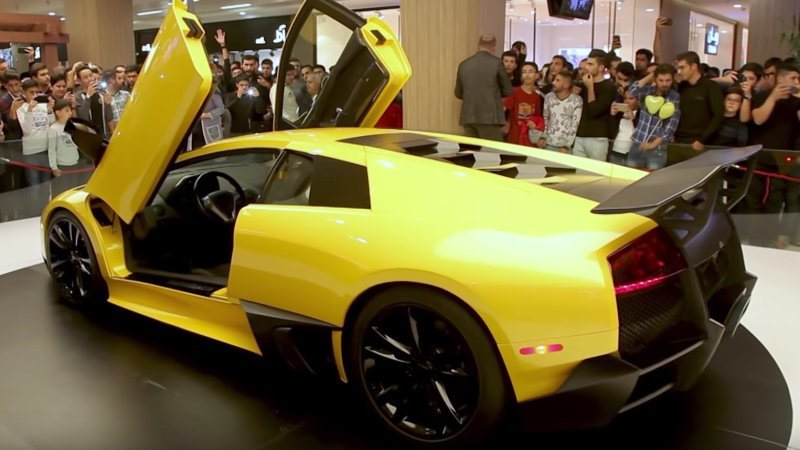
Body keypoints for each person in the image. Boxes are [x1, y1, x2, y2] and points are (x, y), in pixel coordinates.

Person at [454, 34, 513, 141]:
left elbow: (458, 93)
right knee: (492, 150)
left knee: (471, 149)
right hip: (490, 118)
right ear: (494, 47)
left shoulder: (464, 64)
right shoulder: (497, 63)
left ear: (478, 45)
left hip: (468, 116)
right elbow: (508, 91)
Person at [627, 64, 681, 170]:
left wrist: (653, 144)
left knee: (653, 177)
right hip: (638, 143)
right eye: (661, 80)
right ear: (655, 79)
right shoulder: (647, 91)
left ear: (672, 80)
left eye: (668, 80)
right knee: (630, 175)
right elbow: (632, 90)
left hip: (657, 148)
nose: (664, 84)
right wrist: (650, 75)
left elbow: (671, 125)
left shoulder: (674, 97)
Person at [674, 51, 724, 151]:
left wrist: (702, 139)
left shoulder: (710, 87)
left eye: (682, 68)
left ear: (693, 66)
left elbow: (718, 116)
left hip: (699, 141)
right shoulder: (681, 87)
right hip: (677, 140)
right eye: (678, 68)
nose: (679, 72)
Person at [573, 49, 617, 161]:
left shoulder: (609, 87)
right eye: (586, 63)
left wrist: (590, 87)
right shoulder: (583, 85)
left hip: (598, 137)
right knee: (577, 170)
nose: (586, 67)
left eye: (590, 64)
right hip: (580, 135)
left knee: (596, 170)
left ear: (601, 67)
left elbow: (594, 110)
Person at [16, 79, 55, 185]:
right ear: (24, 93)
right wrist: (29, 110)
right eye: (31, 92)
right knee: (34, 185)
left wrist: (50, 110)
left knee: (46, 183)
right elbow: (27, 130)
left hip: (46, 149)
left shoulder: (43, 106)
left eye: (37, 92)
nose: (34, 95)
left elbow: (52, 124)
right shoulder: (21, 108)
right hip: (31, 151)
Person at [538, 70, 583, 152]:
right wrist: (543, 137)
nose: (553, 82)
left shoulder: (576, 100)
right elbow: (546, 118)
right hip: (548, 143)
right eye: (554, 80)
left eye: (557, 80)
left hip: (566, 147)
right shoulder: (549, 97)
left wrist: (568, 145)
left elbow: (575, 124)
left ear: (566, 85)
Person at [503, 62, 544, 146]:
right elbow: (502, 109)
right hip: (514, 137)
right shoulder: (514, 92)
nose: (527, 75)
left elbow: (537, 117)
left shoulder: (537, 96)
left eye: (530, 71)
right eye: (524, 72)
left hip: (529, 138)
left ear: (537, 75)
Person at [47, 99, 80, 177]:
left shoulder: (73, 126)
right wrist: (54, 167)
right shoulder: (53, 129)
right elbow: (51, 150)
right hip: (62, 165)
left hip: (75, 162)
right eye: (67, 111)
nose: (70, 113)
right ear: (58, 113)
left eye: (70, 110)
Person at [608, 87, 639, 165]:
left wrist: (633, 118)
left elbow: (642, 132)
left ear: (638, 100)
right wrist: (612, 116)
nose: (627, 101)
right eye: (625, 98)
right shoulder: (620, 113)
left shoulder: (642, 114)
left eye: (631, 98)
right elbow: (610, 132)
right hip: (617, 150)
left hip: (633, 153)